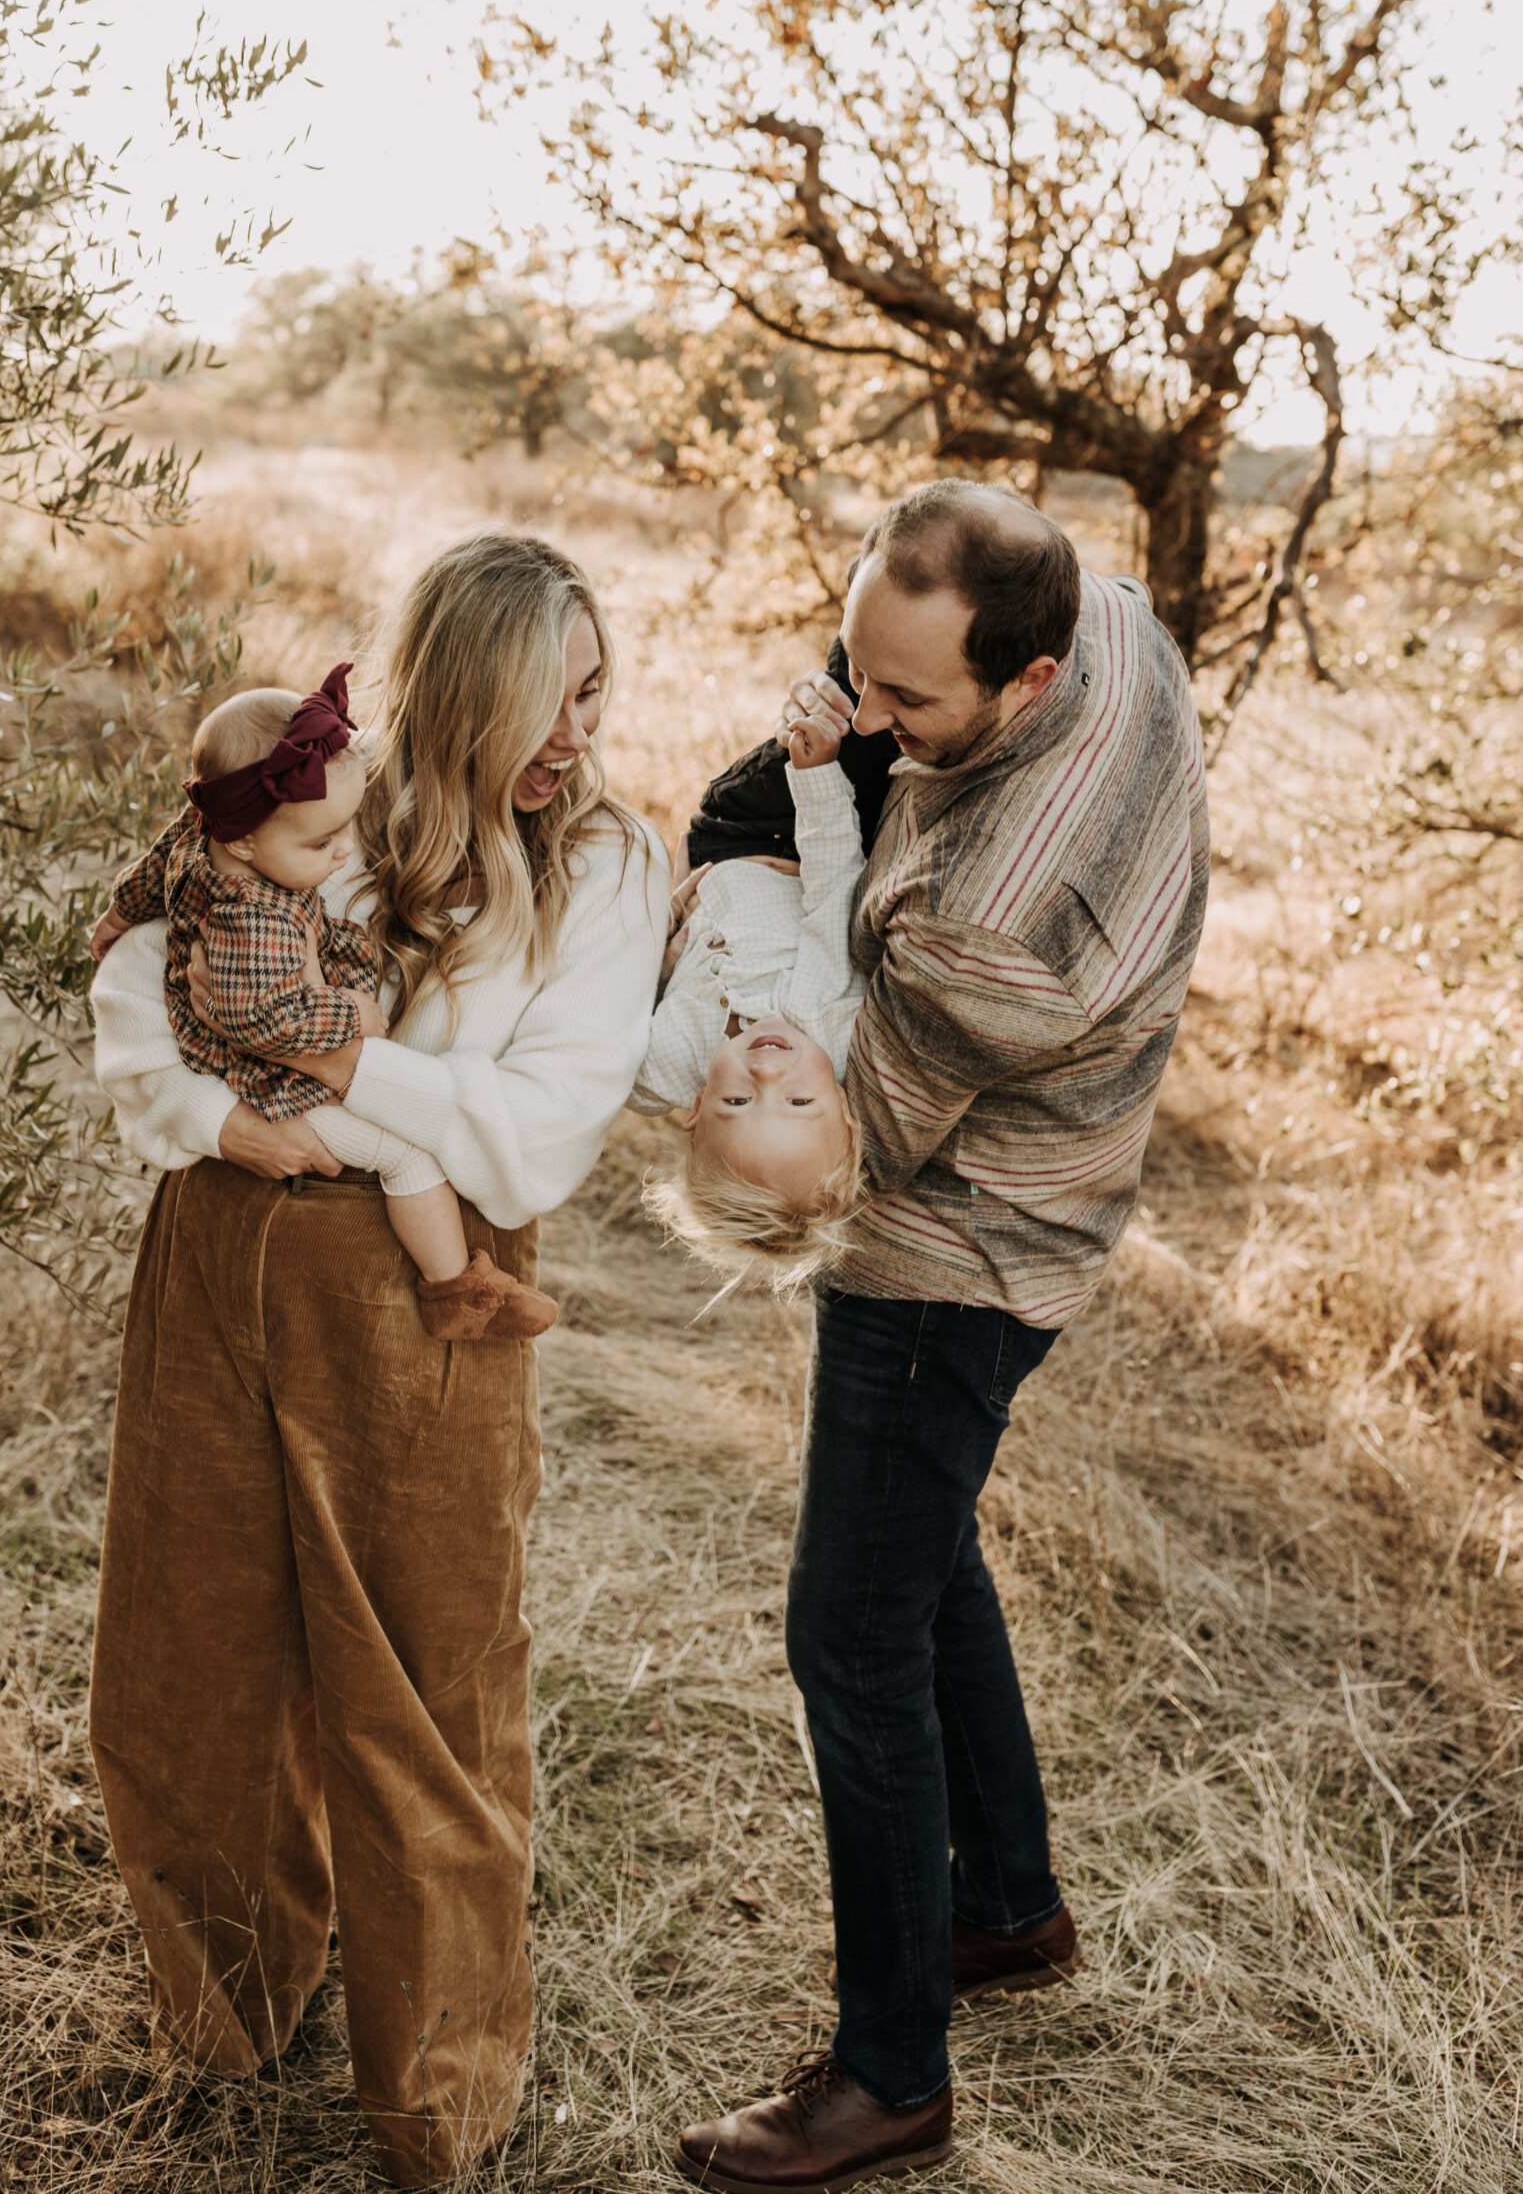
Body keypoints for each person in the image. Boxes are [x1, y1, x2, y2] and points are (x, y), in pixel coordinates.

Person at [86, 532, 669, 2186]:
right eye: (535, 707)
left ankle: (435, 2095)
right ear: (443, 699)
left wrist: (333, 1070)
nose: (574, 738)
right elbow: (140, 965)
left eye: (595, 694)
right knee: (187, 1652)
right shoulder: (313, 789)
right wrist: (211, 1110)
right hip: (219, 1240)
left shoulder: (610, 870)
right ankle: (224, 1998)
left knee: (424, 1691)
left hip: (425, 1294)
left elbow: (530, 1143)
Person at [676, 482, 1209, 2194]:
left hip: (959, 1240)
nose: (875, 722)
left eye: (910, 707)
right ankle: (1002, 1905)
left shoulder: (987, 928)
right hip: (1043, 1179)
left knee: (846, 1630)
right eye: (861, 670)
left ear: (1029, 682)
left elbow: (842, 1143)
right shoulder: (1108, 606)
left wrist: (687, 1055)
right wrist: (856, 749)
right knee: (919, 1559)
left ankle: (891, 2067)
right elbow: (885, 750)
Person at [90, 663, 557, 1339]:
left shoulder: (203, 838)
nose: (342, 854)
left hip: (273, 1053)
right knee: (410, 1157)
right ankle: (456, 1290)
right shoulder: (253, 921)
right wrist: (353, 1017)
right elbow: (264, 1020)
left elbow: (154, 865)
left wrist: (114, 917)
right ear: (244, 839)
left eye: (345, 831)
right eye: (320, 842)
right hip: (270, 1083)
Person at [632, 693, 868, 1286]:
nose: (766, 1078)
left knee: (838, 706)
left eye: (736, 1103)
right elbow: (835, 889)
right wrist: (816, 778)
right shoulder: (827, 1026)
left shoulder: (655, 1071)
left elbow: (609, 1001)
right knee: (852, 708)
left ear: (693, 1113)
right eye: (798, 1103)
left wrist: (659, 939)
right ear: (844, 1110)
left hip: (721, 839)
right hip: (793, 831)